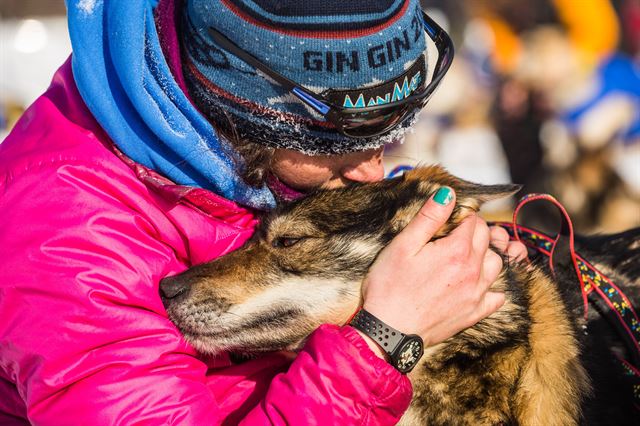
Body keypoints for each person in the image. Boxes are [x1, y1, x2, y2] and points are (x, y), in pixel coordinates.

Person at [0, 0, 526, 424]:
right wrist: (384, 340)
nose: (372, 169)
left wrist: (447, 265)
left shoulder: (244, 157)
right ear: (245, 113)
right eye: (341, 142)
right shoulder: (68, 228)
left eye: (393, 128)